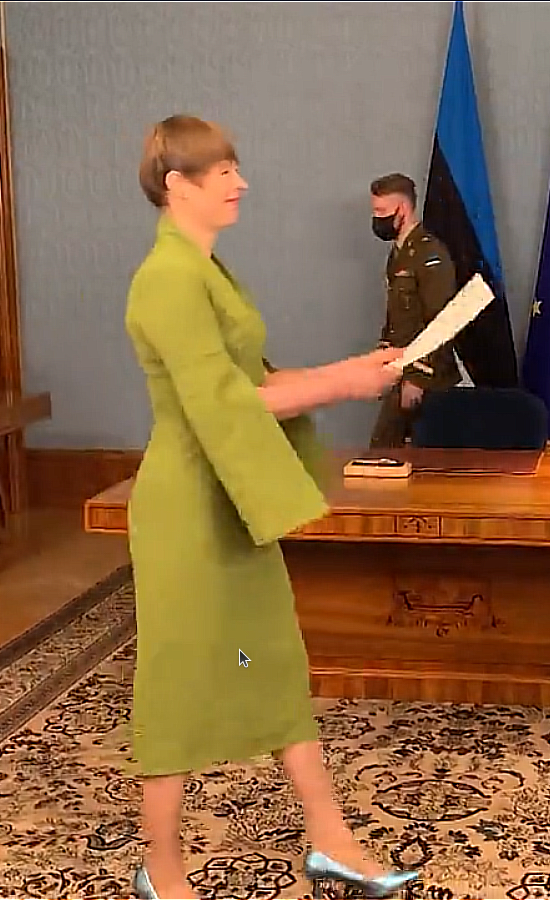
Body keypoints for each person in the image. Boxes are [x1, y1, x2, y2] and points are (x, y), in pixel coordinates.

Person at [124, 114, 420, 900]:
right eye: (223, 172)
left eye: (236, 168)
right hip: (188, 511)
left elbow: (257, 379)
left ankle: (331, 839)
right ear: (178, 184)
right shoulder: (166, 279)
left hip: (231, 496)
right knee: (181, 679)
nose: (240, 183)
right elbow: (224, 402)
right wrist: (346, 385)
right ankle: (160, 866)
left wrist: (353, 369)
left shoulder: (208, 271)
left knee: (272, 660)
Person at [366, 173, 462, 448]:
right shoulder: (399, 254)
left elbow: (443, 321)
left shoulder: (430, 254)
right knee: (386, 453)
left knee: (389, 452)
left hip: (429, 379)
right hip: (401, 369)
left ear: (403, 209)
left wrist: (418, 377)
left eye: (382, 211)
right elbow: (397, 319)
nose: (376, 219)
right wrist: (382, 363)